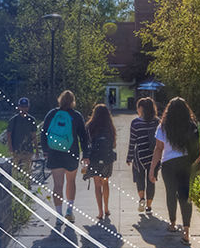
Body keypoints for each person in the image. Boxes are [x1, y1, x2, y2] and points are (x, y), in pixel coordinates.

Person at [149, 97, 200, 246]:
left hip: (168, 165)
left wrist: (152, 169)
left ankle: (172, 223)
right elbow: (196, 148)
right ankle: (186, 231)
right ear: (186, 110)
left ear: (168, 111)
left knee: (171, 194)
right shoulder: (191, 125)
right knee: (185, 196)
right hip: (185, 163)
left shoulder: (163, 126)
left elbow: (158, 149)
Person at [40, 90, 89, 224]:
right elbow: (84, 137)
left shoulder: (52, 114)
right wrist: (85, 154)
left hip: (54, 153)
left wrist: (45, 150)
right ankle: (69, 211)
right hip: (71, 152)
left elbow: (43, 133)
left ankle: (58, 215)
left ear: (60, 100)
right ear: (73, 101)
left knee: (57, 184)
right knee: (71, 182)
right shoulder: (76, 115)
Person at [84, 104, 117, 220]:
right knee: (105, 182)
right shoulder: (110, 127)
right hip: (107, 158)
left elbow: (86, 143)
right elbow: (114, 144)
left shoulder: (90, 125)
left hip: (94, 158)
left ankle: (100, 212)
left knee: (97, 185)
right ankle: (107, 208)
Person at [126, 97, 159, 214]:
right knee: (152, 180)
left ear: (141, 108)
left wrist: (129, 157)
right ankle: (149, 207)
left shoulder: (135, 123)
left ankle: (141, 199)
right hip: (154, 156)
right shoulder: (157, 122)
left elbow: (132, 141)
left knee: (140, 179)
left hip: (139, 156)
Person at [6, 97, 38, 176]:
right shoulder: (14, 120)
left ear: (28, 107)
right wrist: (10, 147)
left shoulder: (31, 120)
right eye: (22, 106)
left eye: (25, 106)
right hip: (16, 149)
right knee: (15, 169)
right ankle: (15, 185)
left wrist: (36, 150)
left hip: (28, 149)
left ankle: (27, 184)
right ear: (18, 107)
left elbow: (34, 136)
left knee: (27, 170)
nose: (23, 108)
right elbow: (9, 134)